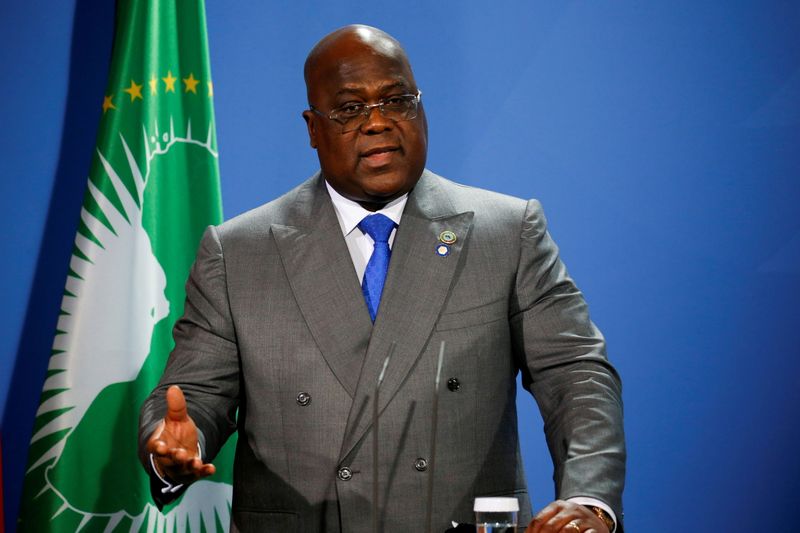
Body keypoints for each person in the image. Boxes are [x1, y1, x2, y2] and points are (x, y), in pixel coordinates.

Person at [139, 24, 625, 533]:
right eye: (350, 109)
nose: (377, 123)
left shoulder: (506, 232)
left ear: (421, 108)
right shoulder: (239, 251)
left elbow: (576, 375)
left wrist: (590, 500)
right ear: (312, 128)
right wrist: (175, 448)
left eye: (396, 101)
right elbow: (193, 397)